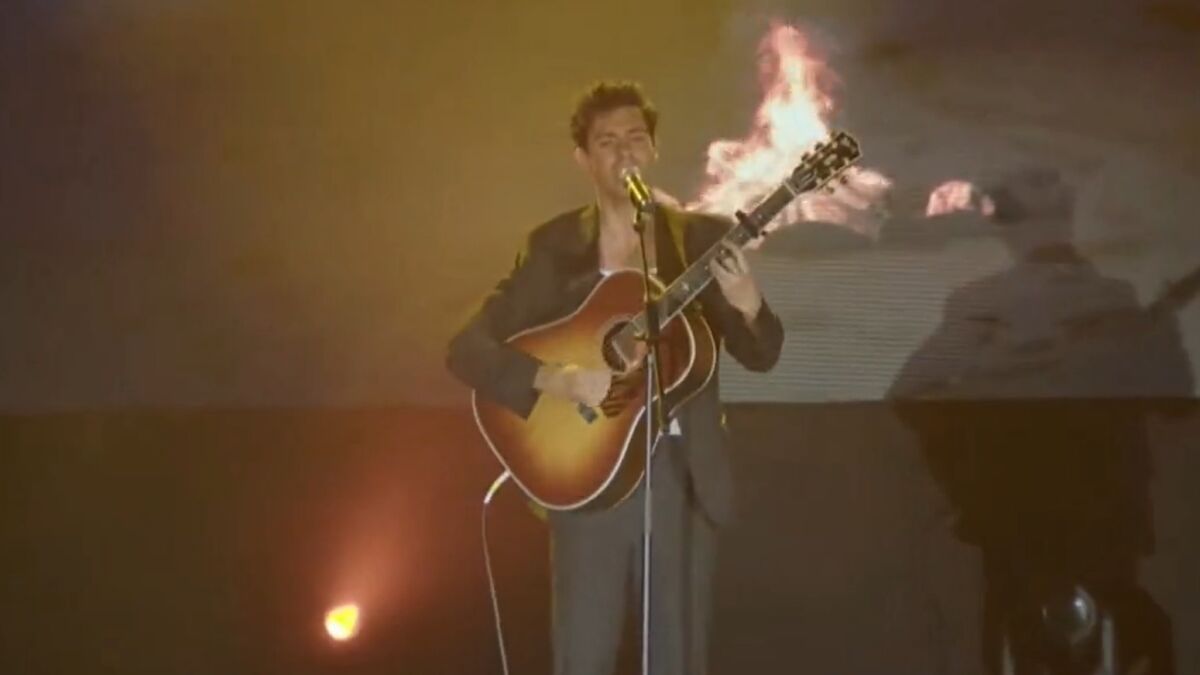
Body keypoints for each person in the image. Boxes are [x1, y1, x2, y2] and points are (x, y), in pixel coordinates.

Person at [446, 80, 784, 675]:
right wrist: (559, 380)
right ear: (582, 158)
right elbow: (467, 348)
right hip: (587, 476)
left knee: (678, 660)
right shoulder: (554, 247)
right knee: (583, 659)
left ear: (652, 149)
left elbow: (761, 354)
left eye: (635, 138)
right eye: (607, 142)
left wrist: (747, 302)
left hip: (683, 477)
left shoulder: (698, 239)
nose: (624, 152)